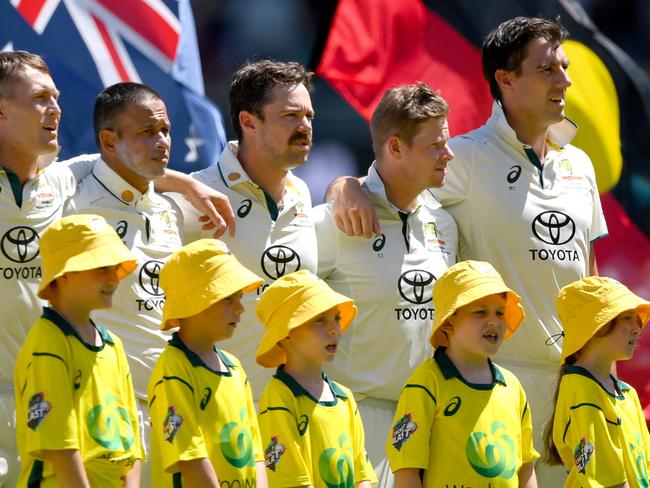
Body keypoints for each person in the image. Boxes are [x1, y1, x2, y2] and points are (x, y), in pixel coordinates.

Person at [327, 17, 608, 485]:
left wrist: (589, 375)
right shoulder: (466, 156)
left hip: (570, 387)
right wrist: (344, 186)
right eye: (547, 69)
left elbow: (590, 277)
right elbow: (396, 182)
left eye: (564, 66)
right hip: (490, 385)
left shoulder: (579, 164)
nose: (565, 80)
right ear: (505, 79)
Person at [0, 51, 233, 485]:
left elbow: (119, 164)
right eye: (39, 98)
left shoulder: (62, 180)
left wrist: (185, 182)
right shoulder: (80, 188)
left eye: (56, 98)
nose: (55, 109)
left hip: (62, 394)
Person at [312, 82, 457, 485]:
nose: (449, 154)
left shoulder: (444, 220)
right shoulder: (332, 222)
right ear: (395, 148)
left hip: (433, 422)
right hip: (357, 423)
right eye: (435, 146)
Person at [174, 59, 318, 398]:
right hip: (216, 408)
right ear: (248, 122)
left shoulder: (302, 193)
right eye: (290, 116)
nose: (305, 126)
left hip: (289, 410)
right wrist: (170, 181)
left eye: (309, 116)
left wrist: (347, 185)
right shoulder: (196, 194)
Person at [14, 214, 143, 487]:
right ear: (65, 274)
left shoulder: (113, 345)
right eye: (101, 268)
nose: (114, 278)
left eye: (115, 267)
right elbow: (60, 444)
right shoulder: (48, 340)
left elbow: (132, 437)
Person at [387, 260, 538, 487]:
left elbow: (526, 468)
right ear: (448, 323)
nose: (494, 321)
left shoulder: (512, 387)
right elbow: (407, 470)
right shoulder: (426, 383)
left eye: (499, 312)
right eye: (480, 312)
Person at [148, 239, 267, 487]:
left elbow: (256, 453)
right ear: (192, 301)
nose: (240, 308)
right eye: (228, 298)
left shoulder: (234, 367)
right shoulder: (174, 368)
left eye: (239, 297)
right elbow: (190, 459)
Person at [255, 270, 376, 487]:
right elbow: (293, 482)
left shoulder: (345, 398)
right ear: (286, 332)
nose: (334, 330)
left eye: (336, 318)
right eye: (319, 320)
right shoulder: (278, 398)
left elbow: (362, 476)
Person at [543, 277, 650, 487]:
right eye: (627, 318)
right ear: (597, 326)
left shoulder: (628, 393)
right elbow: (609, 482)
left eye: (636, 318)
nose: (637, 328)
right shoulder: (582, 389)